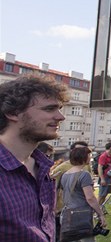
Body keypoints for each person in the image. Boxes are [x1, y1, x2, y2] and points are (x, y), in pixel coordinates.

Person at [0, 75, 68, 241]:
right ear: (13, 112)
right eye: (49, 109)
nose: (61, 117)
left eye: (59, 108)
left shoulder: (43, 167)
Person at [59, 146, 107, 241]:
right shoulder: (84, 175)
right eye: (89, 155)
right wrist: (100, 214)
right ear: (83, 157)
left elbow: (62, 194)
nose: (91, 157)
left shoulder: (65, 175)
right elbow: (90, 198)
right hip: (81, 216)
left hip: (67, 215)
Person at [51, 140, 90, 240]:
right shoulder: (62, 168)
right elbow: (53, 188)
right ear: (72, 151)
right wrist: (54, 208)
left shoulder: (86, 166)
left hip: (82, 209)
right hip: (64, 210)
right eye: (79, 150)